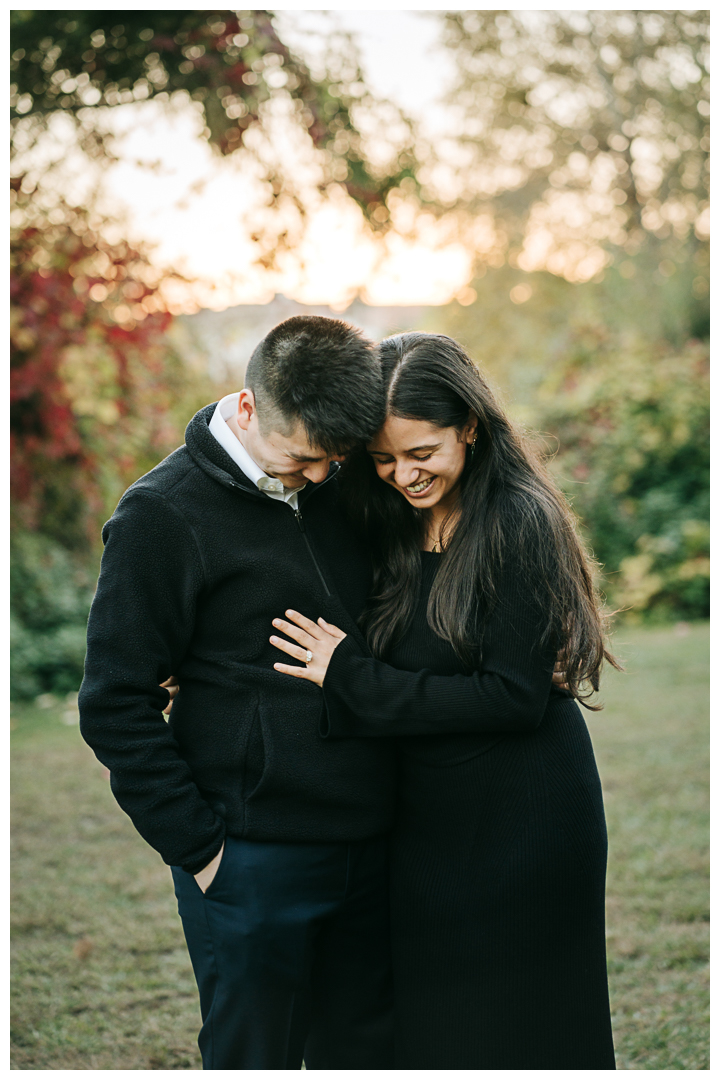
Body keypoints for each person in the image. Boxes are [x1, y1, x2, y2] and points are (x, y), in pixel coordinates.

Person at [270, 332, 619, 1069]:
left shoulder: (519, 522)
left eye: (421, 453)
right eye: (386, 458)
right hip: (427, 817)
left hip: (525, 818)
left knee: (525, 1027)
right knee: (437, 1027)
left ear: (469, 423)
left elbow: (511, 698)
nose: (403, 474)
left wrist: (351, 679)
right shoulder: (386, 515)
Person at [78, 316, 398, 1071]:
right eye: (303, 459)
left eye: (336, 459)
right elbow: (114, 701)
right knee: (258, 1055)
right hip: (253, 855)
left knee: (370, 1053)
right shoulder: (161, 515)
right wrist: (202, 850)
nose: (322, 476)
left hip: (375, 837)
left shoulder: (337, 479)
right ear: (248, 409)